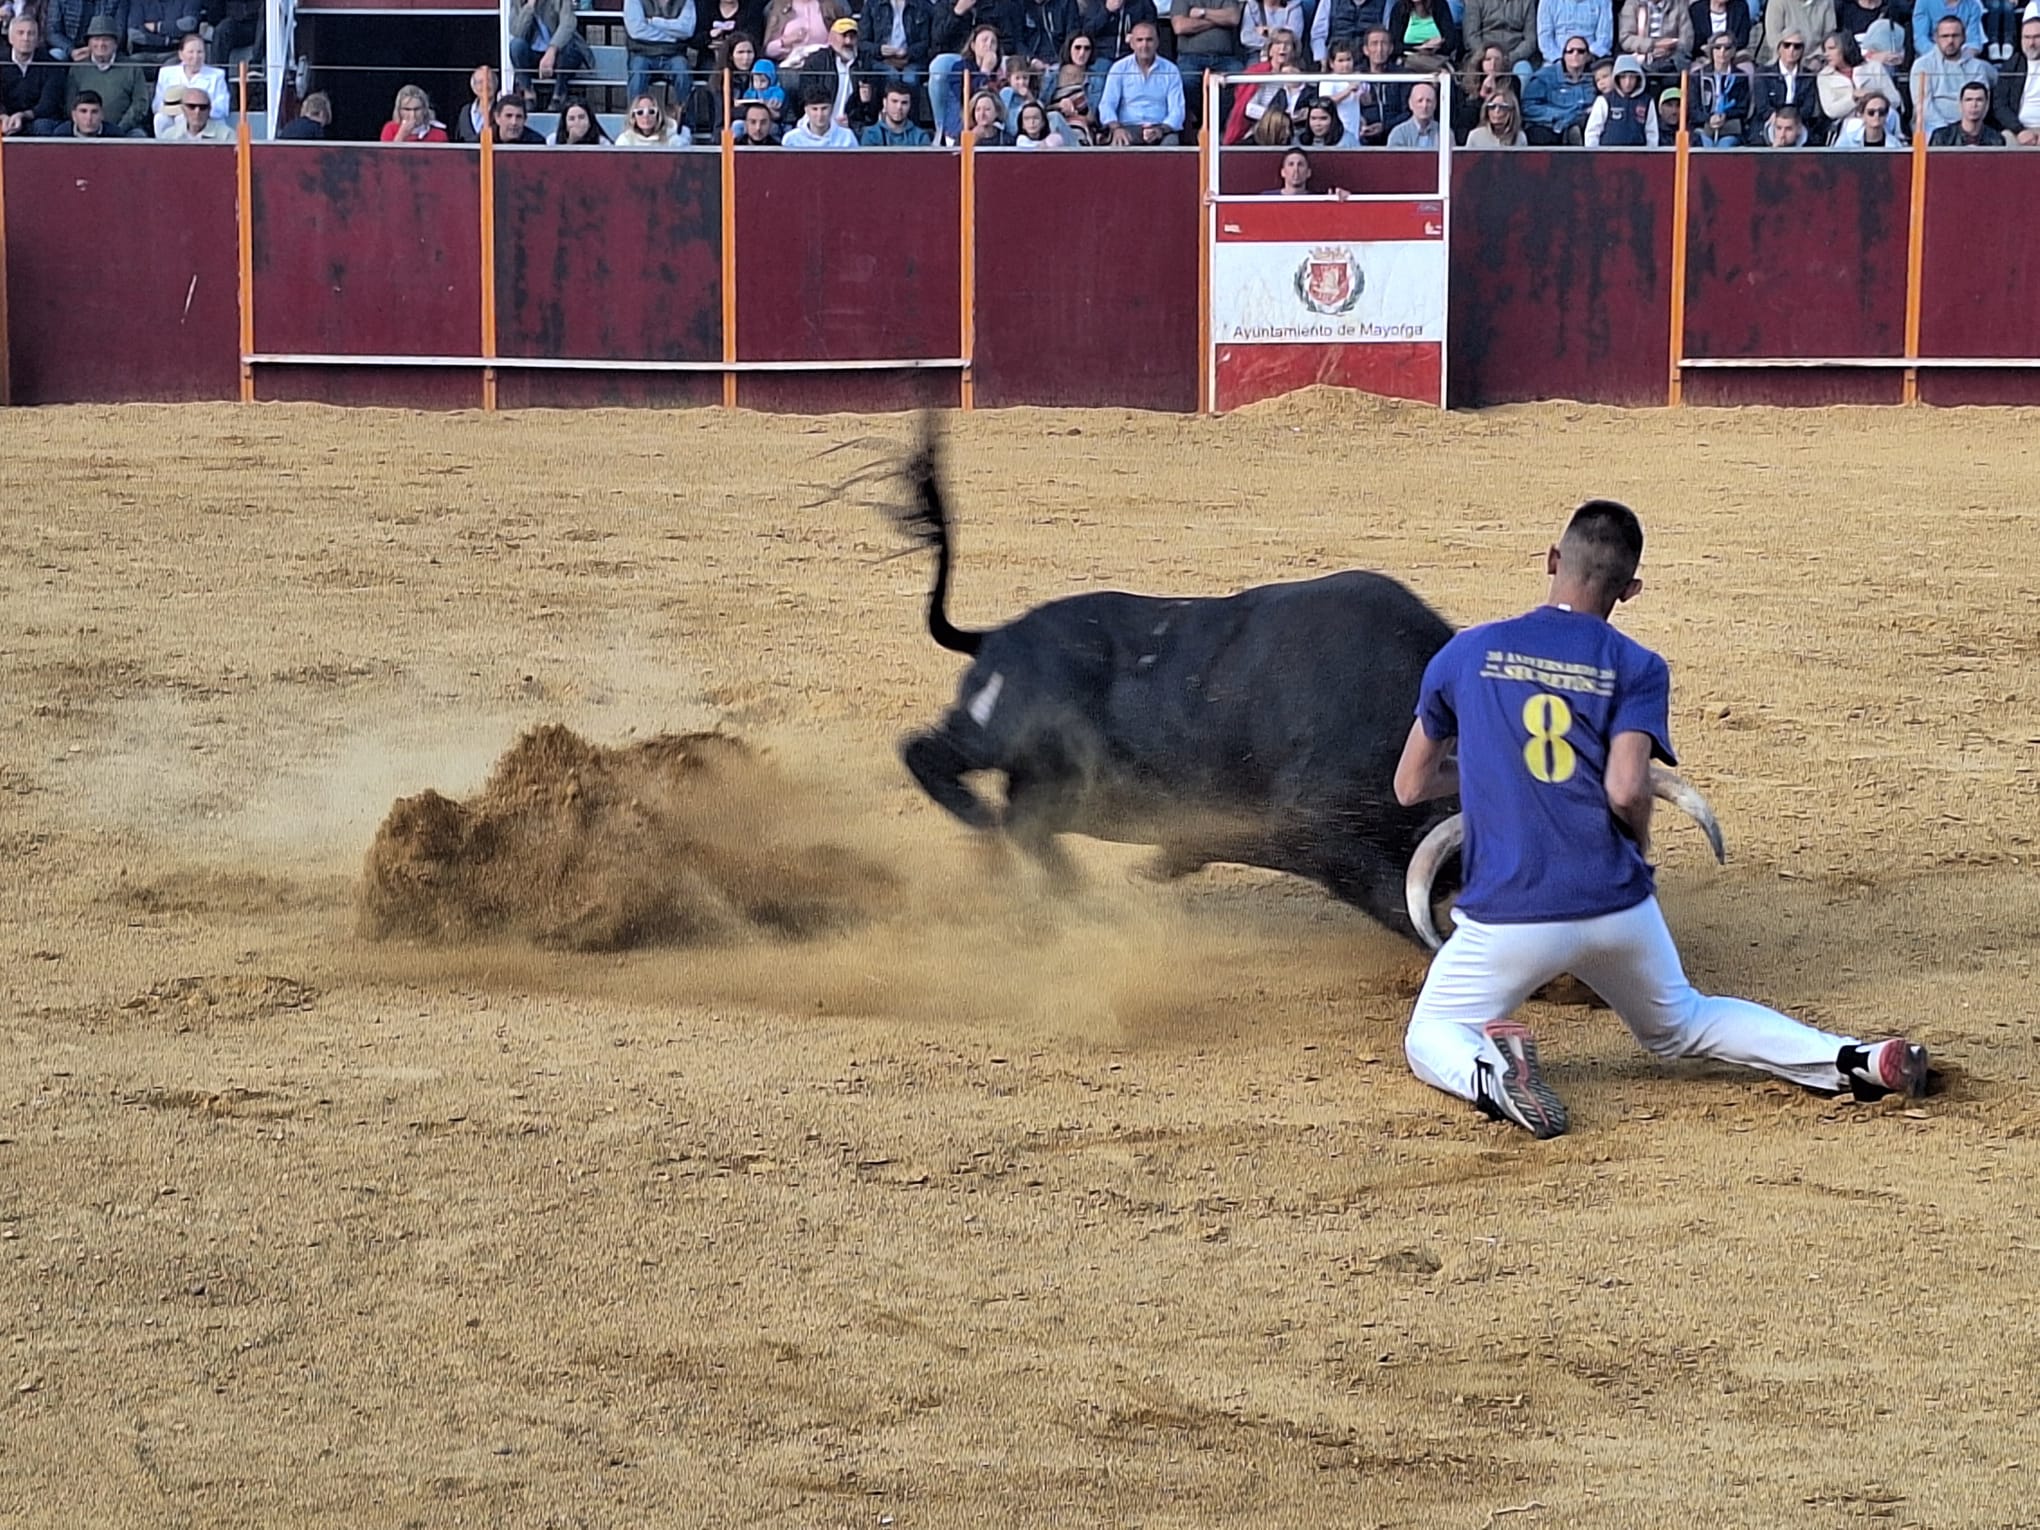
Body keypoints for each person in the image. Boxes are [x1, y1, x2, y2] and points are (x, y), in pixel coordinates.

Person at [1392, 500, 1930, 1141]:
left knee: (1431, 1032)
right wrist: (1638, 844)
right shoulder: (1637, 665)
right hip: (1617, 906)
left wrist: (1491, 771)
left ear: (1553, 560)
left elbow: (1410, 785)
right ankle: (1856, 1059)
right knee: (1683, 1023)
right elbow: (1625, 787)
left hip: (1511, 914)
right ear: (1630, 590)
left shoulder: (1465, 652)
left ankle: (1489, 1075)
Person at [1098, 17, 1183, 140]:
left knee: (1172, 143)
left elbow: (1177, 110)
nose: (1144, 45)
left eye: (1149, 40)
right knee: (1119, 142)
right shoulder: (1119, 68)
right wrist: (1116, 128)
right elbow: (1107, 105)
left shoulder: (1171, 70)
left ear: (1157, 42)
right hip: (1127, 127)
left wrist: (1161, 130)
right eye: (1139, 40)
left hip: (1160, 128)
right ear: (1132, 44)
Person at [1221, 23, 1306, 142]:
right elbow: (1249, 108)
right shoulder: (1259, 73)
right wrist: (1277, 118)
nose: (1282, 48)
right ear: (1270, 50)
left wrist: (1296, 84)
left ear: (1294, 50)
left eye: (1287, 44)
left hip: (1292, 130)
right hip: (1261, 129)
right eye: (1278, 43)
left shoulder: (1301, 75)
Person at [63, 16, 148, 136]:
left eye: (106, 39)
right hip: (85, 130)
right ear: (89, 43)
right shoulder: (77, 68)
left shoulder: (132, 68)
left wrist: (118, 129)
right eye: (96, 39)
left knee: (139, 136)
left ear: (115, 44)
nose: (101, 44)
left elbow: (140, 103)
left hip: (124, 131)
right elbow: (70, 104)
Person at [1912, 13, 1994, 134]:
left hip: (1970, 126)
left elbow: (1982, 102)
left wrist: (1963, 128)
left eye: (1955, 36)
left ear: (1964, 37)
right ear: (1935, 38)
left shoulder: (1976, 66)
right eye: (1945, 36)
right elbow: (1924, 106)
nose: (1950, 41)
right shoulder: (1922, 65)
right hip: (1933, 127)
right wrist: (1946, 131)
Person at [509, 0, 594, 108]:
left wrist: (552, 50)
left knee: (570, 47)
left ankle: (559, 95)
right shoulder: (517, 2)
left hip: (560, 55)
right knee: (516, 45)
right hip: (533, 56)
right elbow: (517, 32)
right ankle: (528, 93)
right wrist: (529, 6)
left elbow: (568, 24)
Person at [1747, 27, 1821, 141]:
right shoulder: (1763, 73)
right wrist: (1779, 122)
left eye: (1797, 46)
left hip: (1798, 124)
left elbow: (1808, 108)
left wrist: (1792, 122)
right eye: (1787, 45)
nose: (1791, 50)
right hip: (1769, 122)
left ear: (1802, 50)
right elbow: (1762, 107)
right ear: (1779, 48)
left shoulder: (1808, 76)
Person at [1815, 27, 1899, 127]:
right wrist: (1853, 99)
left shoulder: (1874, 67)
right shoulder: (1824, 76)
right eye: (1825, 50)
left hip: (1880, 121)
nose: (1826, 54)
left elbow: (1895, 100)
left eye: (1831, 48)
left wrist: (1872, 98)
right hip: (1847, 125)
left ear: (1845, 47)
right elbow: (1831, 111)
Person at [1171, 0, 1245, 112]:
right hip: (1190, 58)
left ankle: (1225, 120)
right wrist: (1218, 21)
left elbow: (1233, 18)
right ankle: (1196, 118)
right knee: (1186, 81)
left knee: (1239, 78)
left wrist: (1203, 13)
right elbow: (1180, 26)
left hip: (1225, 58)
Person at [149, 30, 226, 135]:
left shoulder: (217, 75)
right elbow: (157, 105)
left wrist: (194, 112)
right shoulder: (166, 73)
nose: (196, 56)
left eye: (200, 52)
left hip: (206, 121)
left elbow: (222, 108)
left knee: (183, 119)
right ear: (181, 54)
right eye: (191, 52)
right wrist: (176, 111)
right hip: (172, 117)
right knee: (160, 119)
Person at [1522, 32, 1596, 141]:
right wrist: (1560, 115)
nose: (1575, 54)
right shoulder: (1545, 76)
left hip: (1583, 125)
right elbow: (1527, 107)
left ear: (1588, 56)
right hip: (1549, 126)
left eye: (1581, 51)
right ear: (1564, 55)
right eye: (1570, 51)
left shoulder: (1594, 78)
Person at [625, 0, 696, 112]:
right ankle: (634, 118)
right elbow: (636, 31)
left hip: (674, 53)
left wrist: (653, 22)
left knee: (683, 71)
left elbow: (687, 30)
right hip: (642, 52)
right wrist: (673, 36)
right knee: (637, 73)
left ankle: (686, 120)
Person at [3, 14, 65, 133]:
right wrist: (3, 116)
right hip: (5, 119)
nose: (26, 38)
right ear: (11, 38)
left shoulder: (52, 65)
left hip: (35, 119)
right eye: (20, 33)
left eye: (31, 33)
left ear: (37, 39)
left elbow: (48, 105)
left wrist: (23, 115)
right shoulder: (1, 62)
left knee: (43, 126)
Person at [1686, 31, 1749, 141]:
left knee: (1725, 145)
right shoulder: (1698, 76)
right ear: (1711, 50)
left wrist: (1725, 115)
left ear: (1733, 51)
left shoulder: (1740, 76)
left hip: (1730, 127)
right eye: (1717, 47)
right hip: (1703, 126)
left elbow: (1743, 107)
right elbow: (1693, 109)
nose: (1722, 51)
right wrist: (1709, 118)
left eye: (1727, 48)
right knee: (1705, 144)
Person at [1586, 51, 1659, 141]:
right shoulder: (1604, 100)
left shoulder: (1647, 101)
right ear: (1617, 77)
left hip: (1637, 149)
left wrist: (1651, 149)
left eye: (1632, 77)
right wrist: (1593, 150)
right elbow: (1592, 132)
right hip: (1608, 149)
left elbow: (1652, 133)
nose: (1628, 82)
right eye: (1623, 77)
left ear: (1638, 78)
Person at [1993, 12, 2040, 140]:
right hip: (2018, 130)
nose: (2031, 43)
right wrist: (2019, 130)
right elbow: (2000, 105)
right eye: (2027, 37)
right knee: (2005, 139)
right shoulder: (2012, 65)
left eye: (2037, 37)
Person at [1463, 0, 1538, 77]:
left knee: (1524, 73)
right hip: (1483, 56)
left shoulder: (1527, 2)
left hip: (1515, 59)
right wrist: (1487, 56)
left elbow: (1530, 41)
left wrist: (1509, 58)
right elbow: (1471, 36)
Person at [1622, 0, 1694, 72]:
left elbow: (1686, 40)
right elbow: (1626, 39)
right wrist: (1655, 44)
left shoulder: (1678, 4)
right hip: (1639, 61)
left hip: (1669, 61)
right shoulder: (1632, 3)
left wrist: (1672, 48)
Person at [1756, 0, 1835, 63]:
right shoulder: (1777, 2)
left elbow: (1830, 37)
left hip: (1818, 61)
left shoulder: (1826, 2)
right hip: (1784, 61)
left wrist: (1817, 58)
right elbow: (1773, 40)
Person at [781, 79, 861, 138]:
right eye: (814, 109)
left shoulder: (847, 137)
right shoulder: (791, 139)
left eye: (824, 108)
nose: (820, 114)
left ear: (831, 108)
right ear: (806, 110)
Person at [1538, 0, 1612, 63]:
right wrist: (1560, 58)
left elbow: (1605, 38)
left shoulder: (1603, 1)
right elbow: (1545, 37)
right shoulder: (1548, 1)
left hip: (1592, 60)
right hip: (1556, 60)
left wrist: (1587, 56)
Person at [1930, 75, 2008, 136]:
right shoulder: (1941, 137)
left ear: (1986, 104)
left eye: (1979, 100)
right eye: (1968, 100)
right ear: (1960, 104)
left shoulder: (1996, 138)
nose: (1974, 105)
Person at [861, 75, 934, 135]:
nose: (899, 107)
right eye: (894, 101)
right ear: (884, 102)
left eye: (904, 103)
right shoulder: (870, 135)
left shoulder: (921, 136)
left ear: (910, 105)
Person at [158, 80, 230, 137]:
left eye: (203, 107)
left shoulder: (226, 136)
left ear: (209, 109)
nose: (197, 111)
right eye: (191, 106)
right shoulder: (169, 136)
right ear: (183, 109)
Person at [381, 83, 449, 141]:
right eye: (407, 109)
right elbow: (387, 153)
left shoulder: (439, 135)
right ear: (399, 110)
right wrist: (401, 135)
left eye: (417, 109)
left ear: (424, 110)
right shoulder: (390, 129)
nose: (413, 115)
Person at [450, 65, 497, 142]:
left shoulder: (500, 109)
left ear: (495, 84)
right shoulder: (465, 111)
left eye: (489, 81)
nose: (485, 85)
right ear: (474, 87)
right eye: (480, 82)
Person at [1387, 74, 1443, 139]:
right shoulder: (1398, 134)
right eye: (1420, 101)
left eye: (1429, 101)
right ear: (1410, 104)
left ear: (1435, 104)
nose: (1424, 105)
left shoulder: (1445, 133)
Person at [1833, 87, 1905, 138]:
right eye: (1871, 112)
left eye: (1881, 112)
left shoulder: (1895, 145)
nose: (1876, 116)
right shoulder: (1846, 142)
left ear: (1886, 115)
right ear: (1862, 115)